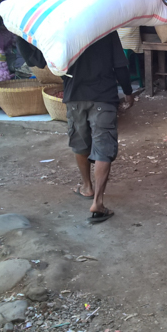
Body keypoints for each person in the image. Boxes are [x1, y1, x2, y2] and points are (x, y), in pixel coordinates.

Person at [62, 32, 135, 224]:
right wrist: (128, 92)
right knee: (103, 147)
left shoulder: (66, 30)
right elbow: (120, 65)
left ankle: (87, 187)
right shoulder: (106, 29)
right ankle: (98, 202)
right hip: (104, 97)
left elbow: (47, 63)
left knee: (80, 143)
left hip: (75, 96)